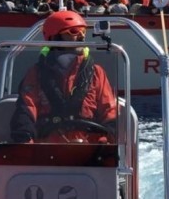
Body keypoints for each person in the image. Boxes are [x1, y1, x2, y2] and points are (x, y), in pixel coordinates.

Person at [10, 11, 117, 144]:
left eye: (83, 31)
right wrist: (24, 140)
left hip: (90, 149)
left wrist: (106, 140)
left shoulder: (96, 72)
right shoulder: (36, 73)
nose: (81, 36)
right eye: (73, 31)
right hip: (46, 149)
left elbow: (109, 110)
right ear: (54, 37)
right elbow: (26, 108)